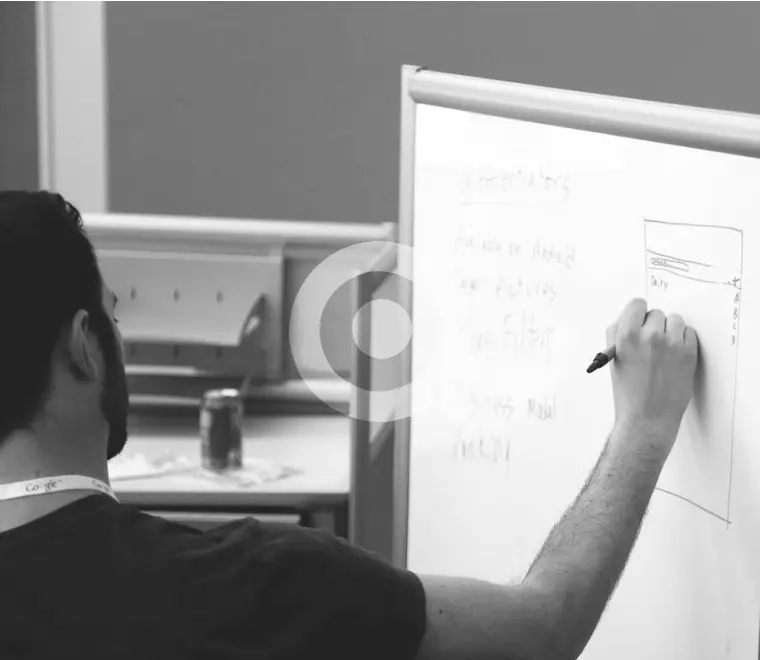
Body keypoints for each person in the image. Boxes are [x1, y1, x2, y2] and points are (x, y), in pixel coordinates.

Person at [0, 191, 698, 660]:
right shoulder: (254, 586)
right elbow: (542, 630)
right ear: (85, 345)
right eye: (114, 316)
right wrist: (642, 426)